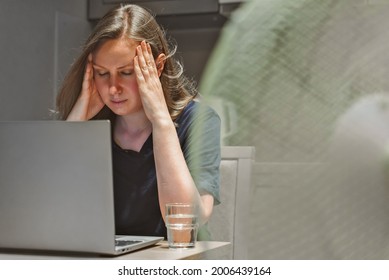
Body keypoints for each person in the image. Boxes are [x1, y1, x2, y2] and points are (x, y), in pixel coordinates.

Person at [56, 4, 221, 238]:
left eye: (126, 72)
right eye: (102, 73)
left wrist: (161, 121)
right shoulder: (94, 125)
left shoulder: (199, 121)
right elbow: (54, 209)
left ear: (158, 66)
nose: (113, 88)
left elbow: (186, 224)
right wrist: (76, 122)